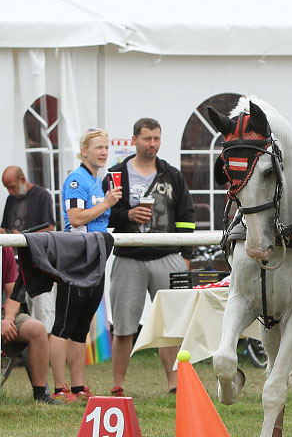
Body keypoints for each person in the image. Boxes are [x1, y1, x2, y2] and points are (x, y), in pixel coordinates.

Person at [104, 118, 195, 396]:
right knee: (123, 326)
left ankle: (175, 385)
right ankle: (117, 385)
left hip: (167, 255)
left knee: (171, 324)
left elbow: (187, 215)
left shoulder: (171, 174)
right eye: (147, 139)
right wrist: (127, 215)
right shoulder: (115, 174)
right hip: (127, 258)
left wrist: (186, 256)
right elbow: (104, 215)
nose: (152, 144)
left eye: (156, 138)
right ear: (134, 140)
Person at [49, 129, 122, 402]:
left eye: (106, 146)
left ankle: (78, 387)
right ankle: (59, 388)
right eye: (98, 147)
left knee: (81, 326)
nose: (103, 152)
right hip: (75, 256)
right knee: (63, 324)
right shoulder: (77, 180)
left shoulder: (97, 180)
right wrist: (106, 203)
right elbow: (76, 218)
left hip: (96, 256)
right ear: (84, 151)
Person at [2, 166, 57, 333]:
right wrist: (6, 233)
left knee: (43, 314)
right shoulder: (10, 199)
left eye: (12, 186)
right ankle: (24, 354)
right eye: (7, 188)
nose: (10, 191)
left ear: (23, 179)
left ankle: (44, 352)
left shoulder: (42, 196)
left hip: (37, 263)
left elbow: (50, 228)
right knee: (20, 308)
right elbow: (4, 227)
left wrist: (24, 237)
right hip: (14, 262)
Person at [2, 246, 58, 404]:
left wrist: (7, 320)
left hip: (4, 316)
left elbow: (12, 295)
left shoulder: (4, 247)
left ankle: (41, 395)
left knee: (37, 329)